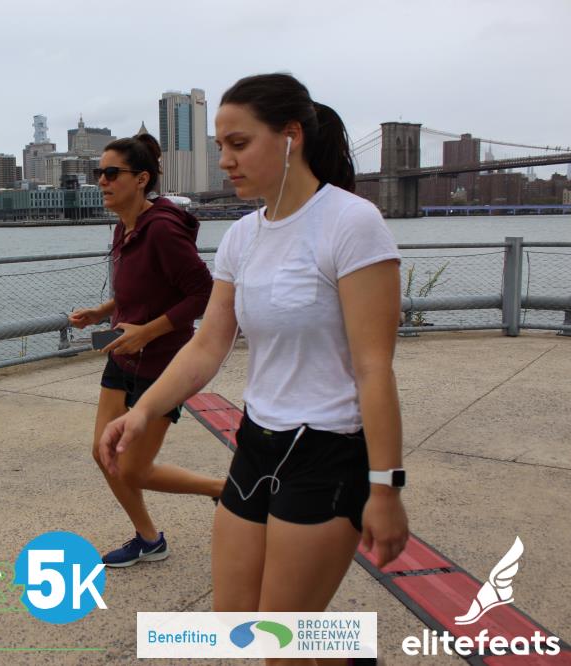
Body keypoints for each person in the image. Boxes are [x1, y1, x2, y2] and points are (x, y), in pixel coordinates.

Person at [98, 73, 409, 660]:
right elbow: (207, 345)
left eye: (239, 144)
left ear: (291, 136)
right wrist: (142, 413)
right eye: (220, 146)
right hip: (257, 442)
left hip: (328, 450)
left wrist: (385, 487)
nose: (225, 161)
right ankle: (350, 651)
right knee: (237, 624)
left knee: (279, 646)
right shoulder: (243, 236)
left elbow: (375, 368)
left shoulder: (351, 222)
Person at [69, 133, 223, 568]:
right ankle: (149, 539)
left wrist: (147, 333)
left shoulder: (163, 230)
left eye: (111, 173)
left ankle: (224, 490)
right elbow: (142, 289)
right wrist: (103, 311)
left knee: (133, 468)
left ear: (141, 179)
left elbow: (204, 294)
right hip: (123, 356)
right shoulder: (125, 226)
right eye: (99, 173)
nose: (102, 181)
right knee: (103, 452)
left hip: (162, 364)